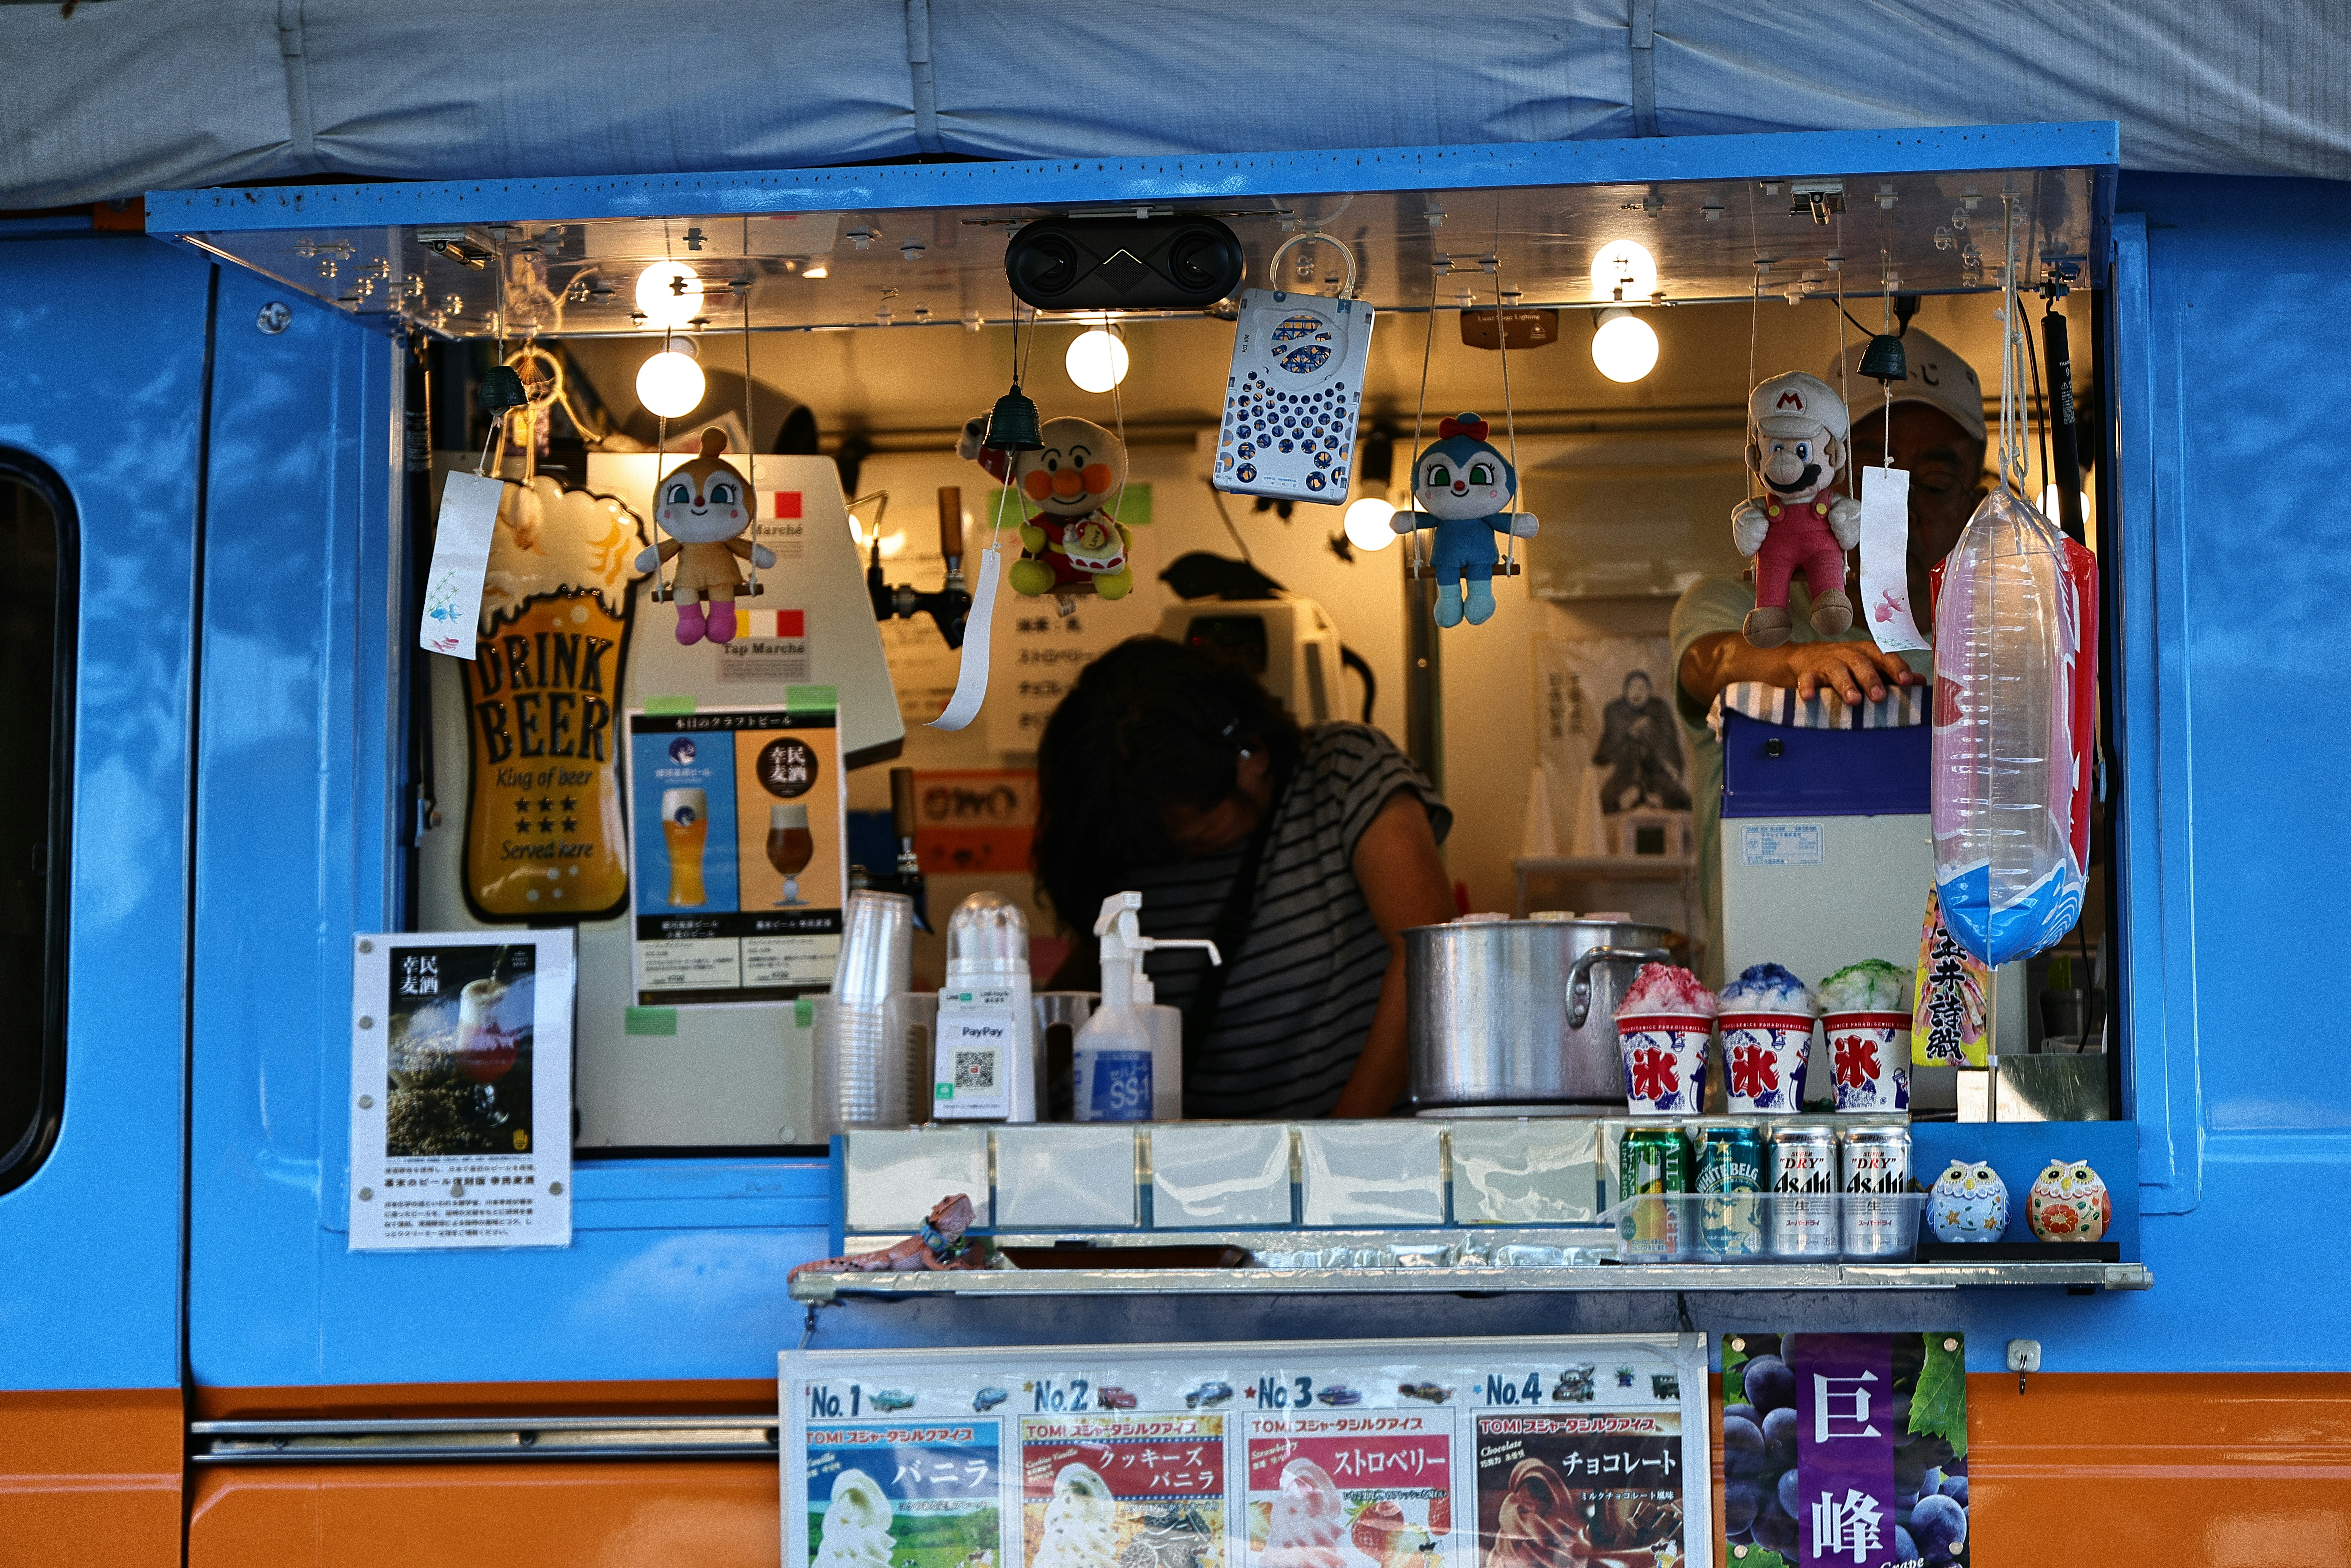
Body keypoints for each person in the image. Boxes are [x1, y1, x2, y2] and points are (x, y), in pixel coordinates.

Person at [1671, 326, 1989, 985]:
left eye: (1930, 484)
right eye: (1869, 476)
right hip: (1763, 1038)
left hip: (1959, 1030)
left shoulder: (1993, 646)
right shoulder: (1739, 610)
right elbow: (1706, 665)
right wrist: (1789, 664)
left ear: (1971, 507)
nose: (1891, 504)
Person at [1033, 637, 1456, 1118]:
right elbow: (1096, 968)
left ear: (1249, 754)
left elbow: (1429, 956)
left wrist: (1336, 1146)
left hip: (1348, 1157)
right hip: (1187, 1162)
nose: (1179, 854)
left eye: (1195, 831)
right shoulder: (1132, 826)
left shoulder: (1345, 773)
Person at [1592, 669, 1690, 813]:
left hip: (1657, 775)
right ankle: (1633, 797)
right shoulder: (1615, 713)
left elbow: (1670, 750)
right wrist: (1631, 732)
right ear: (1626, 690)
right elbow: (1608, 751)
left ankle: (1652, 797)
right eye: (1633, 688)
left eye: (1642, 688)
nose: (1637, 692)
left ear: (1649, 691)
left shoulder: (1661, 711)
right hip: (1624, 775)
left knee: (1681, 801)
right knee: (1605, 804)